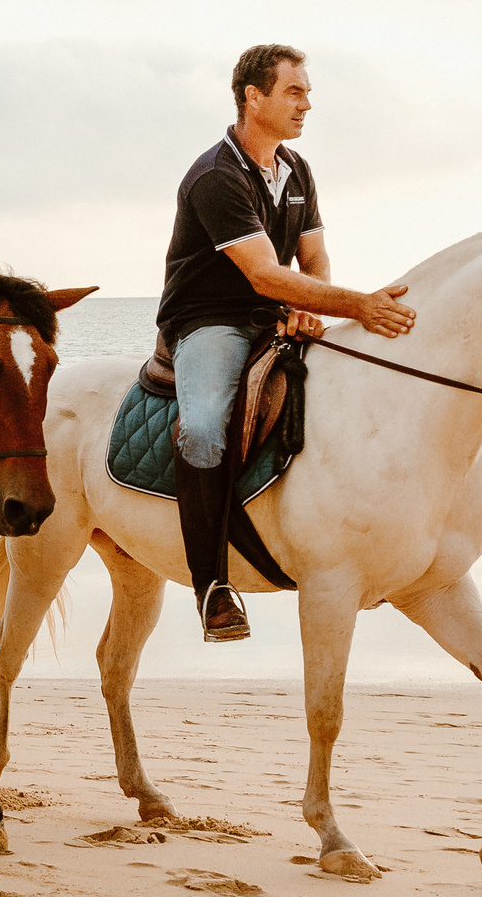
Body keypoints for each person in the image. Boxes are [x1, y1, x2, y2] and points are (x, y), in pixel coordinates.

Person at [157, 46, 416, 641]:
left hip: (274, 316)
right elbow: (264, 275)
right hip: (209, 320)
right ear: (254, 97)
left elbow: (312, 257)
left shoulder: (296, 170)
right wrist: (358, 305)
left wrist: (309, 303)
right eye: (293, 92)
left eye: (307, 93)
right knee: (201, 426)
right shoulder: (215, 176)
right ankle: (212, 588)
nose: (306, 104)